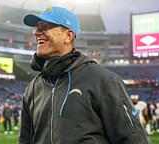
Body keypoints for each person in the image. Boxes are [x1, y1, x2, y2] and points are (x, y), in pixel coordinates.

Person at [19, 6, 151, 144]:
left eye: (44, 27)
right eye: (37, 27)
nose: (36, 32)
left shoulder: (102, 80)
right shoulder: (33, 88)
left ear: (68, 36)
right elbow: (25, 140)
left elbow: (134, 139)